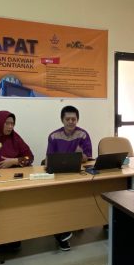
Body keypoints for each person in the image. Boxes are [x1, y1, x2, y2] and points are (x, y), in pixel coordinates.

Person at [45, 105, 93, 251]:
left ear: (77, 119)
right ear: (62, 120)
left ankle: (75, 222)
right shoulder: (54, 136)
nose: (71, 122)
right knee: (60, 200)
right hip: (58, 175)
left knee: (81, 198)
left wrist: (81, 156)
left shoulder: (83, 134)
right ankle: (62, 228)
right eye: (68, 119)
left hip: (77, 174)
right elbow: (49, 159)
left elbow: (88, 157)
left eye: (74, 119)